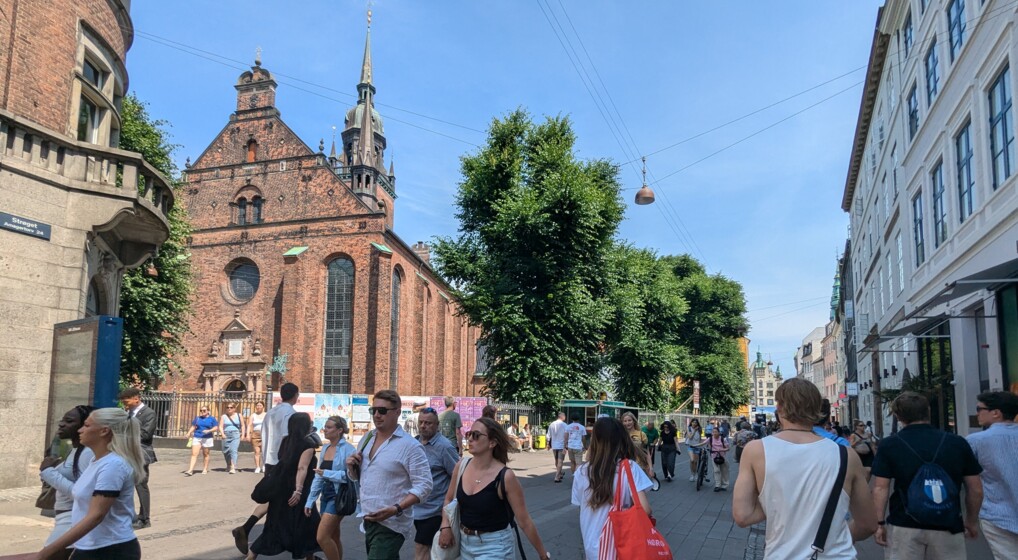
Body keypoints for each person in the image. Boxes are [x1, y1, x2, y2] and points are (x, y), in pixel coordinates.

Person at [733, 378, 876, 558]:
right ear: (817, 410)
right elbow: (868, 524)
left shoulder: (756, 450)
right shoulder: (845, 455)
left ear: (780, 409)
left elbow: (742, 516)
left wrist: (779, 500)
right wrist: (842, 537)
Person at [871, 391, 983, 559]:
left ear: (898, 416)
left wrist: (879, 523)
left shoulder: (890, 445)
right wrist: (971, 520)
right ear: (928, 411)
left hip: (905, 523)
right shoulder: (957, 443)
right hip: (948, 523)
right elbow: (975, 489)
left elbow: (880, 488)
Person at [35, 408, 146, 560]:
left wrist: (44, 554)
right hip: (90, 546)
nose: (80, 430)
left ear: (104, 431)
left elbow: (96, 515)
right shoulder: (97, 461)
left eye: (86, 426)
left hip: (110, 549)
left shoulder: (113, 465)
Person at [437, 418, 552, 559]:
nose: (470, 439)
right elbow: (449, 498)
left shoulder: (505, 476)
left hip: (496, 546)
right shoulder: (461, 466)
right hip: (464, 544)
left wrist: (542, 555)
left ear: (492, 442)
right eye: (469, 434)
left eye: (476, 435)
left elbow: (524, 521)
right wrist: (445, 526)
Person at [346, 390, 432, 560]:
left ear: (397, 412)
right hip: (368, 518)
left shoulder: (410, 446)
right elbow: (360, 477)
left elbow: (425, 485)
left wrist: (396, 508)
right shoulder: (367, 438)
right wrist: (352, 467)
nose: (377, 415)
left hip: (392, 523)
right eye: (374, 410)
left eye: (383, 411)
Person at [571, 417, 654, 559]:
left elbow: (580, 505)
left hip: (592, 547)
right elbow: (645, 510)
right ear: (622, 439)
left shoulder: (581, 471)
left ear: (595, 441)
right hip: (622, 546)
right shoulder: (630, 469)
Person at [233, 383, 299, 555]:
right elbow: (286, 439)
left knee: (274, 501)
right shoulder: (290, 414)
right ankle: (255, 543)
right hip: (282, 463)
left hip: (269, 461)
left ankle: (246, 529)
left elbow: (264, 436)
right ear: (295, 396)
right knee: (283, 505)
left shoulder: (270, 412)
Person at [247, 412, 320, 560]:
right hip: (299, 490)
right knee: (307, 524)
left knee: (275, 525)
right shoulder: (308, 445)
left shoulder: (285, 440)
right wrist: (298, 491)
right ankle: (308, 555)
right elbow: (302, 468)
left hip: (281, 488)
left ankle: (251, 555)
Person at [39, 405, 96, 559]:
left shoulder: (87, 453)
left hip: (72, 521)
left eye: (69, 421)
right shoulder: (75, 450)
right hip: (65, 519)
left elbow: (84, 494)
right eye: (63, 419)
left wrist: (48, 472)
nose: (62, 424)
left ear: (84, 426)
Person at [966, 391, 1018, 557]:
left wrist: (971, 518)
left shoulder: (975, 441)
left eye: (979, 408)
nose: (977, 413)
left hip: (997, 513)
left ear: (996, 412)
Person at [305, 416, 355, 560]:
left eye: (329, 427)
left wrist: (327, 473)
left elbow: (351, 476)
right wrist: (310, 500)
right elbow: (318, 477)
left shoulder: (348, 449)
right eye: (325, 426)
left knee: (322, 537)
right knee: (333, 535)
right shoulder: (326, 448)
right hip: (326, 495)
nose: (324, 429)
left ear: (339, 430)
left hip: (339, 495)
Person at [412, 407, 459, 560]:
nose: (423, 426)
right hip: (416, 508)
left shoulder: (444, 447)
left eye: (428, 423)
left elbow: (457, 475)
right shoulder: (414, 443)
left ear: (437, 425)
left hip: (435, 510)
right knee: (434, 551)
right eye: (421, 422)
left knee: (421, 548)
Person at [118, 388, 155, 529]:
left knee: (141, 485)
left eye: (126, 401)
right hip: (125, 453)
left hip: (141, 453)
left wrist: (129, 425)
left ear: (136, 399)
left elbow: (146, 435)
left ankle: (144, 518)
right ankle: (127, 515)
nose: (124, 405)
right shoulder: (127, 413)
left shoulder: (148, 413)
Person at [184, 405, 218, 476]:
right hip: (197, 436)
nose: (202, 412)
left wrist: (209, 430)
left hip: (207, 437)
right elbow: (193, 426)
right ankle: (190, 470)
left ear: (208, 411)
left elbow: (216, 427)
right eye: (201, 410)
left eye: (204, 410)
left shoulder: (212, 419)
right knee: (194, 454)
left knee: (206, 454)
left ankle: (205, 468)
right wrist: (188, 433)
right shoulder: (197, 418)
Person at [219, 402, 244, 474]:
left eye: (231, 407)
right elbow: (220, 426)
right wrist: (222, 434)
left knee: (233, 450)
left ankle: (233, 467)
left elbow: (242, 425)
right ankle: (228, 464)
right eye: (227, 407)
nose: (229, 409)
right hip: (226, 434)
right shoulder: (224, 416)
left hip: (235, 434)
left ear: (234, 409)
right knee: (225, 451)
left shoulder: (239, 415)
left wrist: (242, 435)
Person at [563, 412, 587, 480]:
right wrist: (585, 447)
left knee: (572, 462)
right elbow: (583, 438)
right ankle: (577, 477)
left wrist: (564, 446)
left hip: (570, 447)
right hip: (578, 447)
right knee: (578, 463)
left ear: (571, 418)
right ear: (579, 418)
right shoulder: (582, 427)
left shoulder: (568, 426)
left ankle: (573, 475)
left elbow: (566, 437)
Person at [706, 426, 730, 492]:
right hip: (714, 457)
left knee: (724, 471)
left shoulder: (723, 439)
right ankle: (717, 485)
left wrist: (722, 449)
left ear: (719, 433)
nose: (714, 433)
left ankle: (724, 485)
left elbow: (728, 448)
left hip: (722, 457)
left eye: (716, 432)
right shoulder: (710, 439)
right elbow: (703, 443)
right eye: (713, 432)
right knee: (716, 471)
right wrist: (694, 445)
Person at [247, 401, 267, 474]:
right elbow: (249, 425)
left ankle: (264, 465)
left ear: (263, 406)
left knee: (264, 451)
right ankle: (257, 467)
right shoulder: (253, 415)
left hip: (264, 434)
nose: (258, 407)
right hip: (255, 434)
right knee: (257, 452)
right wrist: (248, 434)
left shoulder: (266, 415)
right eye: (257, 405)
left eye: (260, 405)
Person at [547, 412, 567, 483]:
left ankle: (560, 473)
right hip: (562, 445)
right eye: (565, 416)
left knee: (556, 460)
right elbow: (566, 435)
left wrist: (548, 444)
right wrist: (566, 445)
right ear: (562, 416)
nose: (565, 417)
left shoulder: (552, 424)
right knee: (560, 460)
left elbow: (548, 435)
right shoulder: (564, 425)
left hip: (554, 445)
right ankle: (557, 476)